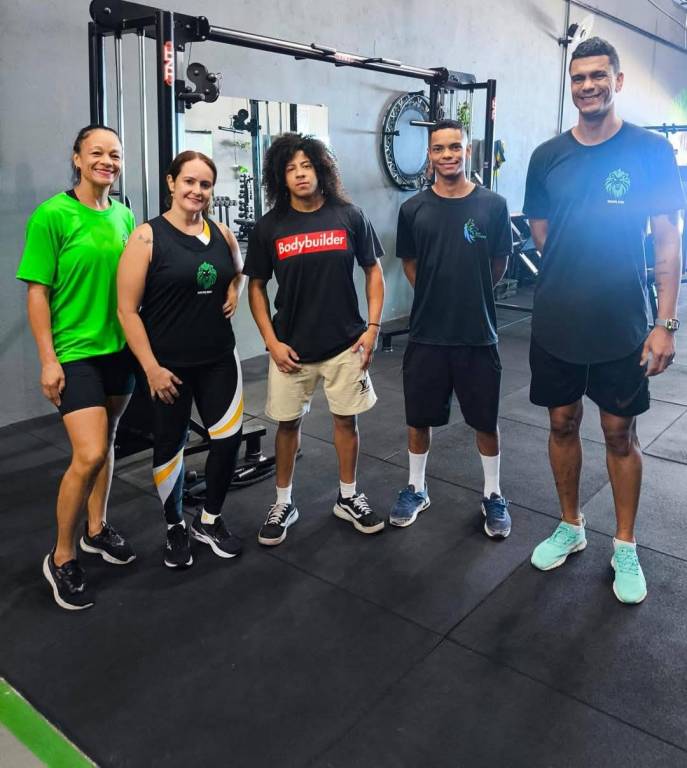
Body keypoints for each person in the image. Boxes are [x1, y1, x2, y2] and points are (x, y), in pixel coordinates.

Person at [523, 37, 685, 604]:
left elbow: (668, 240)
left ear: (617, 81)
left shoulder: (649, 151)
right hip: (557, 321)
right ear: (570, 85)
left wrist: (665, 322)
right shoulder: (547, 156)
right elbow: (542, 232)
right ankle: (571, 525)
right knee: (561, 424)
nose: (587, 85)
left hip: (622, 323)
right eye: (578, 77)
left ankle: (625, 544)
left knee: (620, 433)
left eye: (598, 75)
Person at [243, 133, 385, 546]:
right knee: (287, 425)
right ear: (280, 177)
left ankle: (348, 496)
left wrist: (373, 328)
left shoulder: (350, 216)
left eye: (306, 166)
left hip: (345, 342)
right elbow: (256, 286)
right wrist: (271, 341)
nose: (300, 174)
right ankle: (283, 502)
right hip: (291, 347)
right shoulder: (270, 226)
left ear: (321, 170)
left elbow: (373, 271)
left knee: (347, 421)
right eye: (291, 168)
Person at [17, 124, 137, 611]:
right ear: (77, 159)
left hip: (119, 350)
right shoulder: (52, 215)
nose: (107, 161)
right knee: (87, 454)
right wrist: (48, 359)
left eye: (115, 154)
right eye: (97, 153)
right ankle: (62, 555)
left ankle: (96, 528)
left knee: (108, 441)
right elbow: (37, 292)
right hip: (74, 352)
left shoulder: (124, 216)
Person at [118, 151, 245, 568]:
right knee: (171, 446)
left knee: (227, 439)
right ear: (172, 183)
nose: (197, 190)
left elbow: (237, 271)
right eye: (189, 181)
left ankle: (209, 519)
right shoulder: (146, 238)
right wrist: (151, 368)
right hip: (167, 366)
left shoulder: (222, 232)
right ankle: (174, 525)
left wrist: (234, 290)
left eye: (205, 184)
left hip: (219, 358)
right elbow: (126, 311)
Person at [390, 119, 513, 536]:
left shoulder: (493, 205)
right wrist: (436, 293)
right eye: (439, 148)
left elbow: (499, 263)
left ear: (467, 150)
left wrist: (470, 293)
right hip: (427, 332)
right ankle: (416, 487)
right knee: (418, 417)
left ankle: (493, 493)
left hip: (478, 332)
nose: (447, 155)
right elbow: (410, 262)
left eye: (454, 147)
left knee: (485, 420)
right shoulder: (413, 209)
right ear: (430, 154)